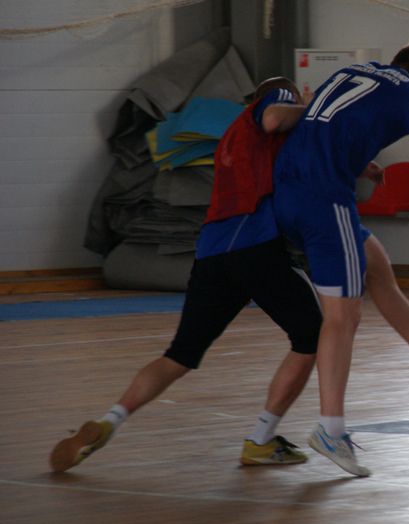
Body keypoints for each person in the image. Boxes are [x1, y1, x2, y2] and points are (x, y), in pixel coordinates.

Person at [50, 78, 320, 471]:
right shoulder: (272, 106)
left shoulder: (235, 138)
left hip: (211, 253)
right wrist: (309, 107)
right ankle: (261, 439)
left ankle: (110, 420)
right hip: (253, 244)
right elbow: (277, 117)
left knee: (180, 355)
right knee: (313, 335)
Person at [273, 41, 409, 478]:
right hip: (324, 199)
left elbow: (324, 123)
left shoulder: (355, 72)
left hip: (289, 188)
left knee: (377, 266)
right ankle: (331, 429)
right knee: (342, 317)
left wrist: (362, 162)